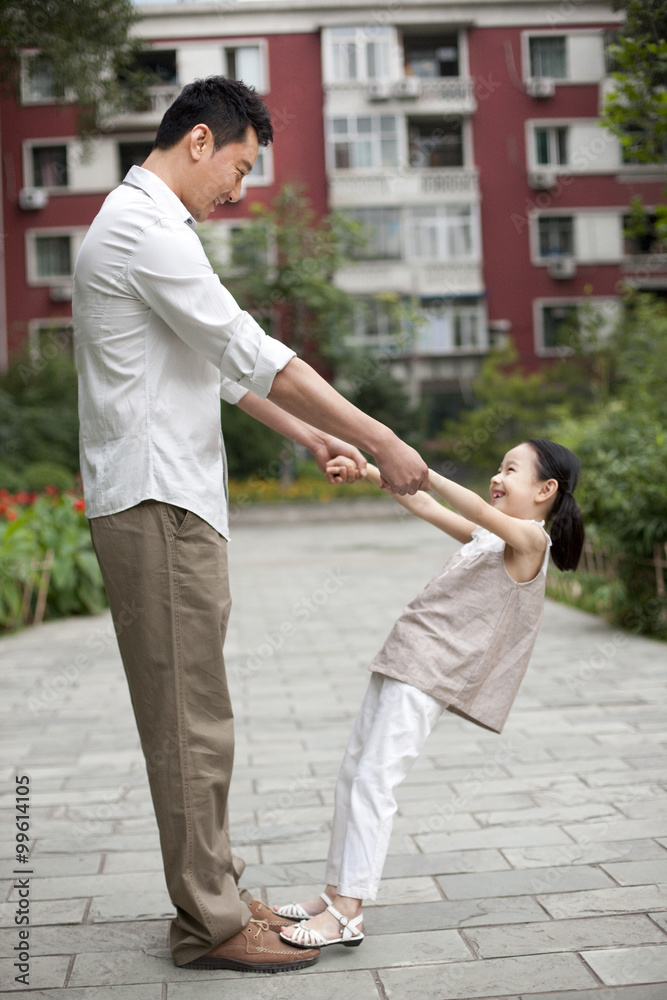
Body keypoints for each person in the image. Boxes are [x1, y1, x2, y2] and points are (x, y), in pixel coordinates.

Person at [73, 75, 429, 974]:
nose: (240, 187)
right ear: (199, 140)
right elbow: (249, 348)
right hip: (157, 504)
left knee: (200, 714)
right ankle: (211, 922)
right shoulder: (145, 229)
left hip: (170, 498)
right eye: (239, 165)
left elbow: (220, 369)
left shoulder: (149, 227)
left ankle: (218, 892)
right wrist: (379, 436)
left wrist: (311, 435)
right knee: (192, 722)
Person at [276, 439, 584, 950]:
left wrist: (422, 470)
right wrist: (372, 471)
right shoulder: (490, 535)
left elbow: (461, 501)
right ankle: (334, 894)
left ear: (545, 490)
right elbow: (422, 502)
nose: (497, 476)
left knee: (375, 780)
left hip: (431, 672)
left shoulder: (531, 542)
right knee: (354, 773)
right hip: (406, 654)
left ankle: (348, 912)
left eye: (511, 469)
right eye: (498, 465)